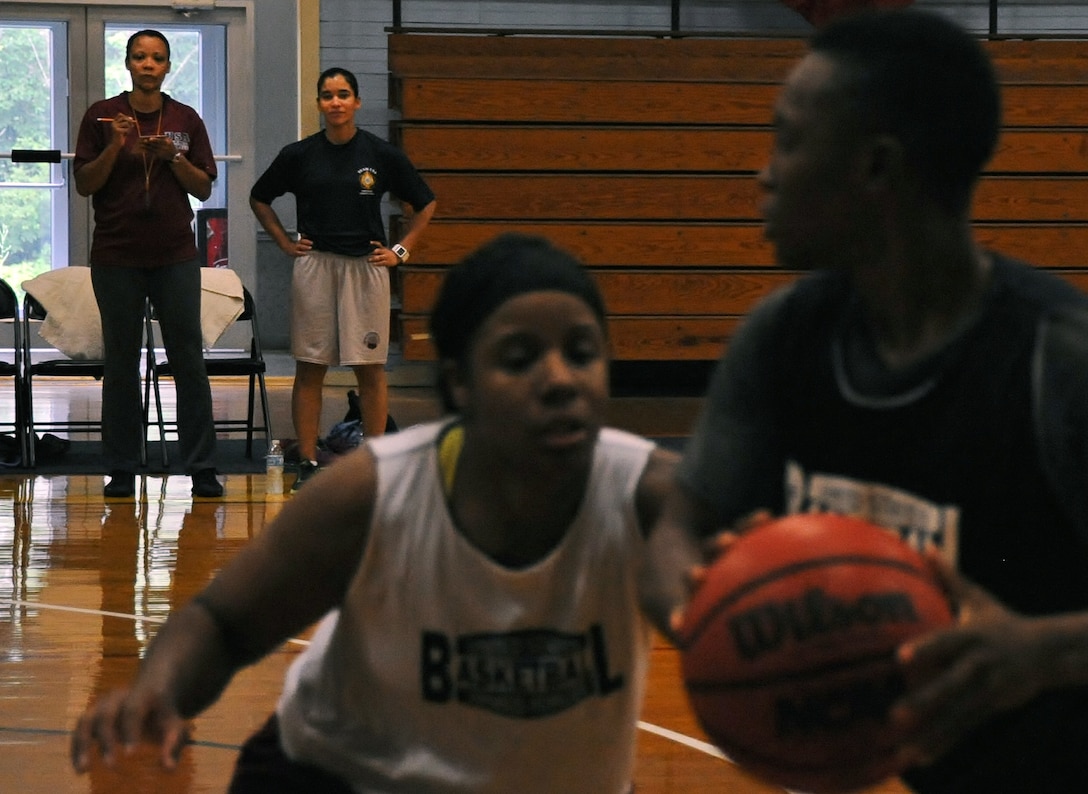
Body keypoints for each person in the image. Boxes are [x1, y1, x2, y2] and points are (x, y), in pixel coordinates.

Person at [69, 232, 697, 793]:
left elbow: (694, 588)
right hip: (340, 776)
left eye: (582, 352)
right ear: (459, 384)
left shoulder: (651, 494)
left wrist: (722, 607)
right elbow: (224, 621)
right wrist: (158, 692)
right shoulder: (375, 492)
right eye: (518, 358)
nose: (561, 378)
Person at [646, 9, 1088, 792]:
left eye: (787, 139)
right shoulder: (783, 340)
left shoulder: (1056, 360)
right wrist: (712, 605)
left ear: (877, 168)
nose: (765, 173)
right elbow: (678, 530)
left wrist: (1042, 651)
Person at [249, 66, 436, 492]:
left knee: (369, 369)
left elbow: (425, 203)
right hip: (315, 265)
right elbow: (259, 197)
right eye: (327, 95)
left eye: (343, 94)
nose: (335, 102)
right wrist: (282, 241)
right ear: (318, 103)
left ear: (356, 102)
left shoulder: (381, 154)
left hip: (367, 267)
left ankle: (373, 465)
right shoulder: (299, 155)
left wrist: (400, 252)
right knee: (310, 366)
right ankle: (309, 461)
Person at [73, 29, 223, 499]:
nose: (148, 65)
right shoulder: (100, 116)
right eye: (140, 57)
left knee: (188, 361)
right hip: (116, 257)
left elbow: (203, 188)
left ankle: (200, 467)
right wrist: (116, 147)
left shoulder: (185, 119)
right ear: (127, 63)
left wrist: (173, 157)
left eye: (157, 58)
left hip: (174, 257)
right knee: (121, 363)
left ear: (167, 66)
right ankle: (121, 467)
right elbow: (84, 184)